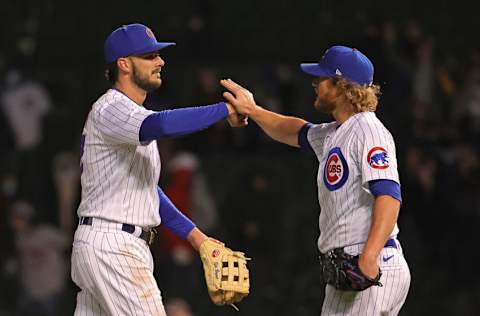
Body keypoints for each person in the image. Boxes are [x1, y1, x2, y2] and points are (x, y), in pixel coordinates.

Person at [70, 23, 248, 316]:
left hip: (108, 243)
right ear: (124, 64)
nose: (160, 61)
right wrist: (226, 110)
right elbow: (162, 124)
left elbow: (146, 191)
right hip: (115, 248)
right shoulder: (112, 107)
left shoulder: (130, 119)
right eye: (150, 56)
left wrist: (197, 238)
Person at [221, 46, 410, 315]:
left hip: (371, 262)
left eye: (321, 78)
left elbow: (389, 197)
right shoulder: (336, 133)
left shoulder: (368, 130)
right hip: (347, 268)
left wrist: (369, 256)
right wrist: (252, 110)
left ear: (341, 85)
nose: (314, 83)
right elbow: (294, 131)